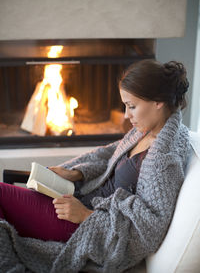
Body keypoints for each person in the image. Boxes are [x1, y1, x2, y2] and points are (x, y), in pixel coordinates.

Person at [0, 59, 191, 273]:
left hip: (83, 226)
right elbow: (108, 153)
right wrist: (75, 172)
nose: (126, 115)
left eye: (132, 106)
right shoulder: (147, 130)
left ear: (158, 102)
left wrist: (85, 215)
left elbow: (148, 230)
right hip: (76, 201)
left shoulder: (164, 159)